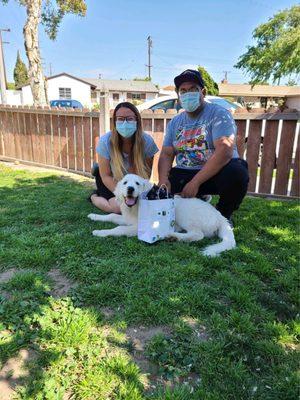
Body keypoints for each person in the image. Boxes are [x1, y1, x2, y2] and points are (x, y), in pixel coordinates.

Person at [158, 69, 249, 224]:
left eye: (193, 89)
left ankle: (223, 215)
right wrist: (163, 180)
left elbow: (225, 151)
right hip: (185, 172)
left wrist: (196, 183)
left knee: (238, 173)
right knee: (168, 191)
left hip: (216, 172)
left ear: (203, 92)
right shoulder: (175, 122)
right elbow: (167, 154)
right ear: (179, 96)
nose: (188, 94)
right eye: (183, 91)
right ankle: (199, 198)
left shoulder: (219, 114)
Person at [90, 102, 159, 213]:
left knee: (141, 206)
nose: (125, 122)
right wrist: (122, 194)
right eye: (121, 119)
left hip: (132, 183)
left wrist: (134, 194)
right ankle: (93, 196)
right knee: (118, 208)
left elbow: (145, 175)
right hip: (110, 178)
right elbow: (106, 176)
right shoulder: (105, 142)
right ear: (115, 122)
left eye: (130, 119)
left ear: (137, 121)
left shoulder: (147, 142)